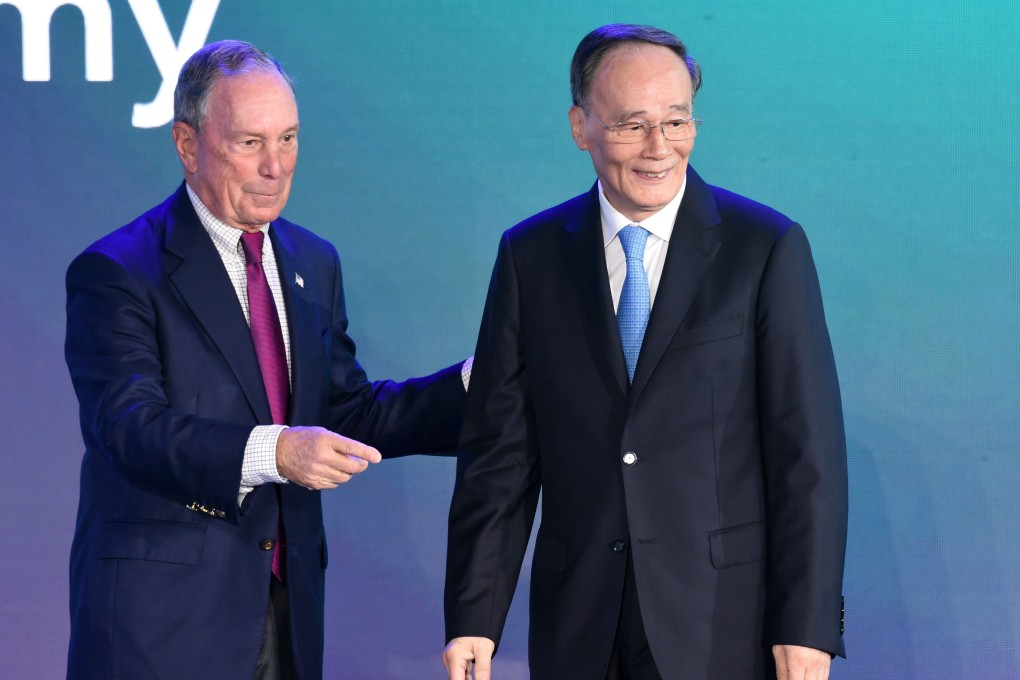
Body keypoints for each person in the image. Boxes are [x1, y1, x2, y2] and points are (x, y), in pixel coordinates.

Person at [442, 23, 847, 680]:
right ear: (582, 126)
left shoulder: (764, 249)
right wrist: (473, 618)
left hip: (721, 627)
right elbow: (501, 460)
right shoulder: (531, 256)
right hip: (580, 628)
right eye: (633, 125)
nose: (660, 148)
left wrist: (807, 628)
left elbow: (809, 459)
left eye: (677, 122)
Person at [64, 40, 467, 679]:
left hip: (285, 614)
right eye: (249, 143)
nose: (275, 167)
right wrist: (276, 451)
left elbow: (346, 412)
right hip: (161, 627)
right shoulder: (118, 272)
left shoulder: (313, 260)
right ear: (188, 145)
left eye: (288, 139)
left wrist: (481, 382)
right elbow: (129, 429)